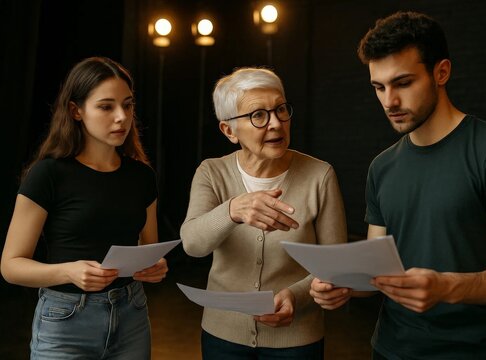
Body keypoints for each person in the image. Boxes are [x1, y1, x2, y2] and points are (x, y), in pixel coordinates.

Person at [309, 11, 486, 359]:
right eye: (379, 87)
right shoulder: (382, 166)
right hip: (390, 348)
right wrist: (341, 286)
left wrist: (447, 286)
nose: (389, 102)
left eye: (403, 83)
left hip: (475, 352)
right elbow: (377, 271)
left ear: (441, 72)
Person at [1, 56, 168, 359]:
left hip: (132, 314)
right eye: (106, 107)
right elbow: (10, 266)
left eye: (127, 105)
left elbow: (148, 246)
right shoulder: (49, 174)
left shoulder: (142, 175)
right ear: (76, 111)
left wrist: (153, 267)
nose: (121, 117)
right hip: (66, 320)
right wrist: (69, 272)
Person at [180, 67, 347, 359]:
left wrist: (295, 296)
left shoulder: (320, 175)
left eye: (281, 110)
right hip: (223, 336)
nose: (276, 124)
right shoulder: (212, 172)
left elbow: (335, 265)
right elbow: (193, 244)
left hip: (297, 339)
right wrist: (233, 209)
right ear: (229, 130)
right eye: (258, 115)